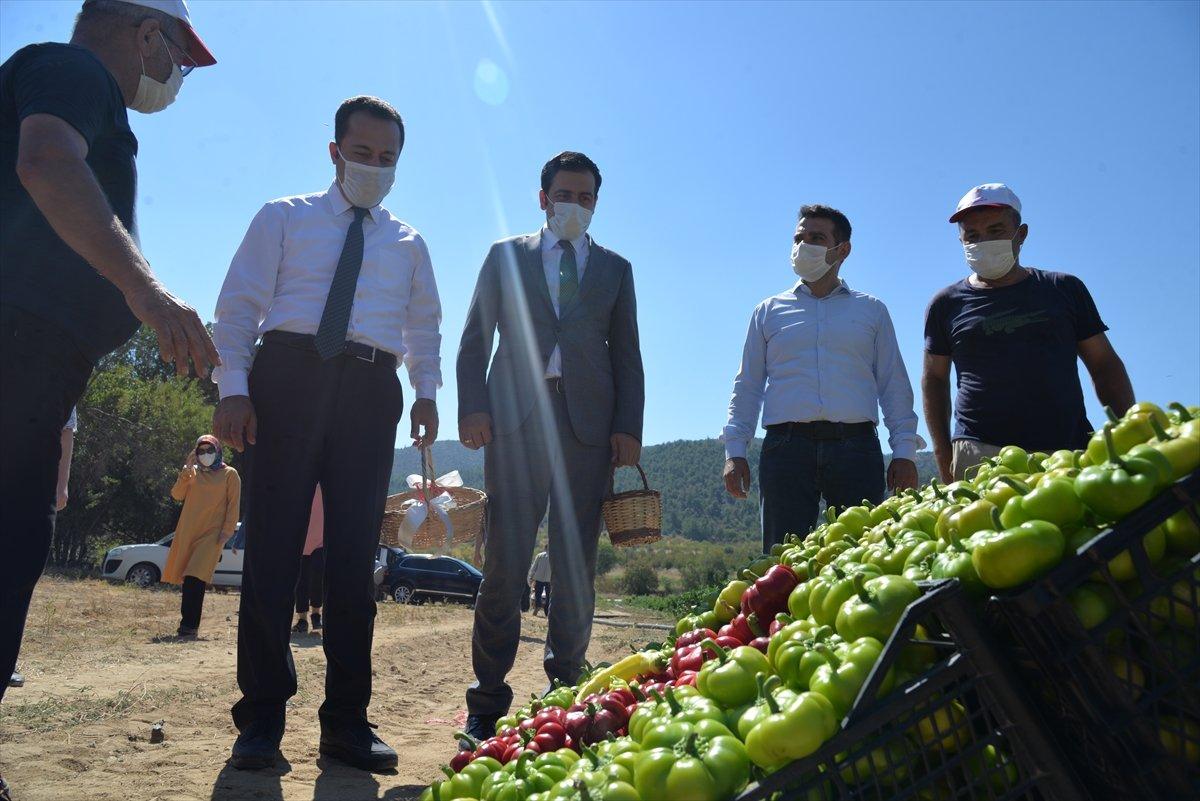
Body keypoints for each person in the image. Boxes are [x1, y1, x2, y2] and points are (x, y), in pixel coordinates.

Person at [0, 0, 218, 720]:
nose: (176, 76)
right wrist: (146, 291)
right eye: (178, 58)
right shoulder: (74, 71)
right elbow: (47, 162)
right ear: (147, 32)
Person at [211, 95, 442, 772]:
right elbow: (239, 307)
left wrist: (426, 393)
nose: (374, 167)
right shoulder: (283, 218)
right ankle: (260, 721)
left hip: (371, 391)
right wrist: (233, 389)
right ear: (334, 151)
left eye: (387, 158)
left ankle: (346, 722)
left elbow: (422, 325)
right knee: (273, 553)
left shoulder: (409, 243)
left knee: (351, 562)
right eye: (362, 153)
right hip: (287, 379)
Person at [457, 151, 645, 744]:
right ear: (543, 198)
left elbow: (627, 356)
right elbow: (473, 338)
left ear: (595, 204)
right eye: (566, 194)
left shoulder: (616, 269)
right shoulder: (504, 256)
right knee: (505, 565)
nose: (576, 205)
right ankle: (487, 698)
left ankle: (563, 688)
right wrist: (473, 408)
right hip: (514, 425)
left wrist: (628, 427)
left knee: (575, 566)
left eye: (587, 197)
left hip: (587, 430)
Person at [723, 205, 924, 553]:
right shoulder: (768, 311)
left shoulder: (871, 310)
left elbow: (893, 384)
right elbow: (748, 386)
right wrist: (734, 450)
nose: (804, 246)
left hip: (856, 448)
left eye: (816, 238)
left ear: (842, 250)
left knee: (861, 555)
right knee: (781, 559)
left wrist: (904, 451)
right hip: (785, 449)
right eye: (799, 238)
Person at [922, 183, 1135, 481]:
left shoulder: (1063, 289)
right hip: (980, 453)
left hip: (1066, 450)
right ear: (961, 240)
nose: (983, 241)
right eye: (972, 235)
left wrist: (1130, 429)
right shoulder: (945, 304)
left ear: (1020, 234)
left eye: (996, 230)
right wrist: (944, 453)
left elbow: (1104, 365)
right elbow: (934, 379)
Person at [163, 435, 241, 637]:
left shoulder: (230, 474)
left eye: (209, 450)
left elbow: (233, 506)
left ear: (217, 450)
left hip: (212, 535)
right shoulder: (193, 473)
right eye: (201, 451)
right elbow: (177, 495)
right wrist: (186, 470)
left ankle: (189, 625)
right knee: (188, 578)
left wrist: (227, 532)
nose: (205, 455)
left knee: (195, 576)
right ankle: (188, 624)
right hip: (189, 532)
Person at [293, 486, 326, 634]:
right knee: (301, 582)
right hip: (300, 541)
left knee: (317, 580)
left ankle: (316, 615)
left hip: (321, 541)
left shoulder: (326, 485)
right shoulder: (299, 483)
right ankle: (302, 620)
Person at [527, 549, 551, 617]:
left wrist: (531, 576)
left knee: (538, 594)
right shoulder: (554, 556)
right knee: (549, 596)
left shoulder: (540, 555)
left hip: (538, 578)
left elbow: (534, 567)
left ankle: (538, 605)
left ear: (545, 548)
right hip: (549, 579)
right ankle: (547, 612)